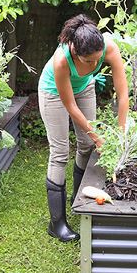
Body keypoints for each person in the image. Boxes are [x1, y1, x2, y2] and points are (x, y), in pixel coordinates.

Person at [38, 15, 129, 242]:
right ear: (75, 51)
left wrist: (121, 133)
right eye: (88, 61)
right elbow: (70, 106)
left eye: (98, 61)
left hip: (84, 88)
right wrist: (99, 138)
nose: (94, 66)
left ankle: (78, 199)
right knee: (60, 153)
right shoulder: (62, 60)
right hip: (53, 93)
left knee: (86, 146)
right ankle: (57, 223)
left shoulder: (109, 48)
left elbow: (123, 94)